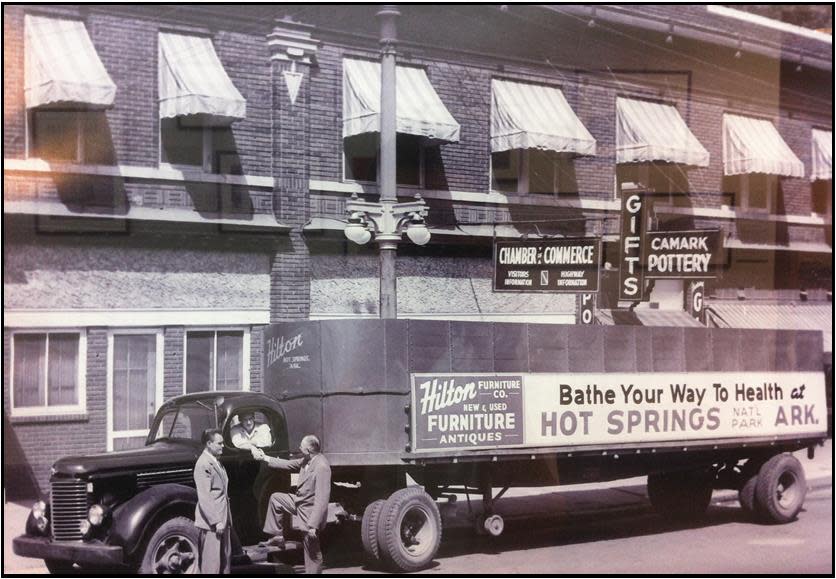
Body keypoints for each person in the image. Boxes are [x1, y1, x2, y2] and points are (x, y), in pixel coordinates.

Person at [253, 435, 331, 574]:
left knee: (311, 549)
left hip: (309, 510)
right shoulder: (306, 460)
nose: (299, 448)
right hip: (298, 502)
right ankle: (277, 536)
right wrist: (264, 458)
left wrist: (313, 525)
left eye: (301, 446)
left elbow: (322, 499)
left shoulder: (322, 466)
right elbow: (287, 464)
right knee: (276, 498)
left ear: (308, 449)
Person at [194, 428, 231, 574]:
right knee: (212, 565)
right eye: (219, 443)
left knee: (224, 564)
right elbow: (204, 496)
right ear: (209, 443)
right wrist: (216, 521)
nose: (223, 446)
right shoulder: (203, 464)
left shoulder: (216, 462)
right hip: (213, 524)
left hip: (223, 520)